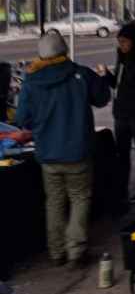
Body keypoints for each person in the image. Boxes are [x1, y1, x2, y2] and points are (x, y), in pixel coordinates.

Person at [13, 32, 111, 269]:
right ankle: (75, 251)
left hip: (48, 154)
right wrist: (104, 78)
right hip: (78, 152)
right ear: (64, 51)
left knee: (54, 202)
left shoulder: (31, 80)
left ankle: (56, 252)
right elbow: (102, 98)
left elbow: (22, 119)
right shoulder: (81, 74)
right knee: (79, 199)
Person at [98, 23, 135, 207]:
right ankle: (122, 189)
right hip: (122, 112)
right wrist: (106, 75)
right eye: (119, 42)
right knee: (121, 152)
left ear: (133, 40)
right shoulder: (122, 56)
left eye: (124, 42)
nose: (121, 45)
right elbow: (118, 83)